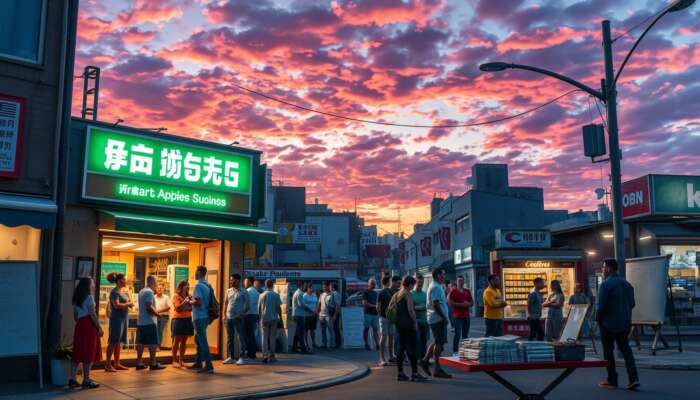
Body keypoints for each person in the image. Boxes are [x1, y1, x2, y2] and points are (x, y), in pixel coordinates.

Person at [597, 258, 639, 390]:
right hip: (625, 323)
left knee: (608, 351)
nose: (602, 270)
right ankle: (633, 379)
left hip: (608, 324)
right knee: (626, 350)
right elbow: (632, 304)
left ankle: (612, 379)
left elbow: (602, 306)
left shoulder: (605, 284)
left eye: (603, 267)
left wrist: (598, 320)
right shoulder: (627, 284)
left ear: (609, 269)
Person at [391, 276, 427, 382]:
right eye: (413, 284)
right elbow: (411, 310)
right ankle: (415, 374)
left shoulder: (397, 294)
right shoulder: (408, 294)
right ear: (410, 284)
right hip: (408, 325)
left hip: (399, 325)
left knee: (401, 349)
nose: (414, 286)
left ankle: (400, 373)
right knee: (412, 349)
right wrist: (415, 323)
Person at [68, 277, 102, 389]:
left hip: (80, 326)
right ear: (88, 285)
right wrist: (99, 327)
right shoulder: (89, 297)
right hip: (89, 326)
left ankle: (72, 379)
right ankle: (86, 379)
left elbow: (75, 316)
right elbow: (92, 314)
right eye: (92, 283)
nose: (93, 284)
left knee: (78, 351)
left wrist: (81, 323)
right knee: (89, 352)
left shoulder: (76, 298)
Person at [419, 268, 451, 379]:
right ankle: (437, 368)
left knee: (436, 341)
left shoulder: (436, 286)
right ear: (438, 276)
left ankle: (425, 360)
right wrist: (444, 317)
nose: (444, 277)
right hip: (437, 319)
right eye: (443, 274)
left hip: (436, 318)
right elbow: (436, 305)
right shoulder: (436, 287)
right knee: (438, 343)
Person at [136, 275, 166, 371]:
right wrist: (157, 315)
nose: (157, 284)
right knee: (153, 343)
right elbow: (149, 306)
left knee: (140, 343)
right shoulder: (149, 292)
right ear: (152, 282)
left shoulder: (141, 291)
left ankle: (139, 362)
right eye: (156, 282)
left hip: (141, 322)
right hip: (149, 321)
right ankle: (153, 363)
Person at [105, 272, 133, 372]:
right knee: (113, 341)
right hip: (116, 319)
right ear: (119, 281)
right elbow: (116, 305)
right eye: (124, 279)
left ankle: (117, 363)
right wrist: (128, 304)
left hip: (123, 318)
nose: (125, 281)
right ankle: (108, 364)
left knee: (118, 342)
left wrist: (128, 303)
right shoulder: (114, 292)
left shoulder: (122, 292)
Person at [190, 265, 214, 373]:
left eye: (195, 271)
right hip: (205, 316)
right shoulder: (207, 285)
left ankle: (209, 365)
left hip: (199, 317)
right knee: (198, 339)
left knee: (202, 340)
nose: (194, 273)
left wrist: (189, 302)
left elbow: (198, 302)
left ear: (199, 272)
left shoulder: (198, 286)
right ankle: (198, 361)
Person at [224, 273, 249, 365]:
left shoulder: (244, 291)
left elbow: (247, 306)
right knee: (229, 338)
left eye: (232, 280)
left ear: (238, 281)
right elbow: (226, 303)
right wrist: (224, 315)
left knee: (240, 338)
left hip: (239, 318)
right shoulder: (228, 291)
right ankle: (231, 357)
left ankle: (242, 357)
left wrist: (241, 315)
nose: (231, 282)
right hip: (229, 317)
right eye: (230, 280)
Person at [171, 280, 194, 368]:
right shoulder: (176, 296)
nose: (188, 287)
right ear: (181, 287)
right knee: (176, 341)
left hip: (187, 319)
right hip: (178, 320)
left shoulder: (189, 296)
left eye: (188, 285)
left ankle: (181, 361)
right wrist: (185, 303)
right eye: (186, 285)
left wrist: (186, 306)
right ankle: (174, 360)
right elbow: (177, 308)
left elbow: (191, 308)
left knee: (184, 341)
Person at [258, 279, 283, 363]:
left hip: (264, 319)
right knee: (272, 337)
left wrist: (259, 319)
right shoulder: (276, 295)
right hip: (273, 319)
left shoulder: (261, 295)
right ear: (272, 285)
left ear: (265, 285)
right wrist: (281, 318)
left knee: (264, 337)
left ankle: (265, 355)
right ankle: (272, 355)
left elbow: (259, 309)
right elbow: (278, 308)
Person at [448, 276, 473, 355]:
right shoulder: (453, 291)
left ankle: (464, 351)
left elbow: (472, 303)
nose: (460, 282)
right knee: (457, 334)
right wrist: (462, 304)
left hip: (466, 316)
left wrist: (467, 304)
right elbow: (450, 303)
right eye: (459, 281)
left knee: (465, 334)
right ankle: (455, 351)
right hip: (457, 316)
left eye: (462, 281)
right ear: (456, 281)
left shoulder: (467, 291)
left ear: (464, 282)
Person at [377, 275, 398, 366]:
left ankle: (383, 358)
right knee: (390, 338)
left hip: (384, 317)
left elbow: (378, 306)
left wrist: (380, 315)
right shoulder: (391, 292)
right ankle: (390, 356)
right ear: (388, 282)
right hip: (391, 317)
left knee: (384, 337)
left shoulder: (381, 293)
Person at [412, 275, 429, 360]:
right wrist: (421, 308)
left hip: (425, 321)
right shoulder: (411, 294)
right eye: (419, 282)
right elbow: (410, 308)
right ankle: (418, 358)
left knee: (424, 341)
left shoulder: (425, 294)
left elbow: (428, 306)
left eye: (422, 282)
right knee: (417, 341)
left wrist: (425, 307)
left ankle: (423, 358)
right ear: (415, 282)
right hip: (416, 321)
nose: (420, 284)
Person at [244, 276, 260, 359]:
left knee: (248, 335)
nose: (244, 283)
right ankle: (252, 352)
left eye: (246, 281)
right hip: (255, 314)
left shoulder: (247, 292)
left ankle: (251, 352)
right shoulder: (256, 292)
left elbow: (246, 304)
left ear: (250, 282)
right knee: (252, 334)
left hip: (248, 315)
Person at [319, 281, 339, 349]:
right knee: (323, 330)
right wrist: (318, 313)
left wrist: (335, 315)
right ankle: (324, 344)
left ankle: (332, 344)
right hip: (322, 315)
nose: (323, 287)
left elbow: (337, 305)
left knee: (331, 330)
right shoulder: (322, 294)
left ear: (328, 286)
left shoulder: (332, 294)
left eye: (324, 286)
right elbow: (319, 304)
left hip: (329, 315)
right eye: (323, 286)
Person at [291, 281, 309, 353]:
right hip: (299, 315)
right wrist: (310, 310)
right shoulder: (299, 293)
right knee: (300, 333)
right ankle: (303, 349)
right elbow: (301, 305)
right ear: (301, 285)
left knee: (297, 332)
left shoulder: (297, 292)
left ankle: (294, 348)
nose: (306, 287)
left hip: (297, 315)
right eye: (305, 285)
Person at [362, 278, 380, 351]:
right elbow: (364, 303)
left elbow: (378, 303)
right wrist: (374, 306)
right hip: (368, 313)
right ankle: (366, 344)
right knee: (366, 329)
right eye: (372, 283)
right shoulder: (365, 292)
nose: (373, 285)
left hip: (375, 314)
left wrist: (378, 308)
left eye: (374, 283)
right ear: (368, 284)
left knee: (375, 329)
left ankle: (377, 344)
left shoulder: (375, 293)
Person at [155, 284, 172, 349]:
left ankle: (157, 346)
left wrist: (158, 311)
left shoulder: (166, 297)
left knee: (159, 330)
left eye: (161, 288)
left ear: (163, 290)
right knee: (154, 330)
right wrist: (156, 313)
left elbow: (168, 307)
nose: (159, 289)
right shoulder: (153, 297)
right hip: (155, 316)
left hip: (164, 316)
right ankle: (154, 345)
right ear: (156, 289)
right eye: (158, 288)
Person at [303, 284, 319, 350]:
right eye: (311, 288)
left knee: (312, 330)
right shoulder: (304, 296)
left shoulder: (314, 295)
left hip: (314, 315)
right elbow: (304, 306)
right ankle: (306, 344)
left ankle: (313, 343)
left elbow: (317, 303)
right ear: (308, 288)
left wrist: (316, 310)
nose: (313, 289)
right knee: (306, 330)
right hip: (307, 315)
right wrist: (311, 311)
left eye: (313, 288)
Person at [331, 283, 343, 348]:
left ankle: (338, 343)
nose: (330, 288)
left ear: (332, 287)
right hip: (337, 312)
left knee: (336, 328)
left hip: (335, 312)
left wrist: (335, 315)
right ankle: (338, 342)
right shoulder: (337, 293)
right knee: (336, 328)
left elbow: (337, 305)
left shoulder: (335, 294)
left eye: (330, 286)